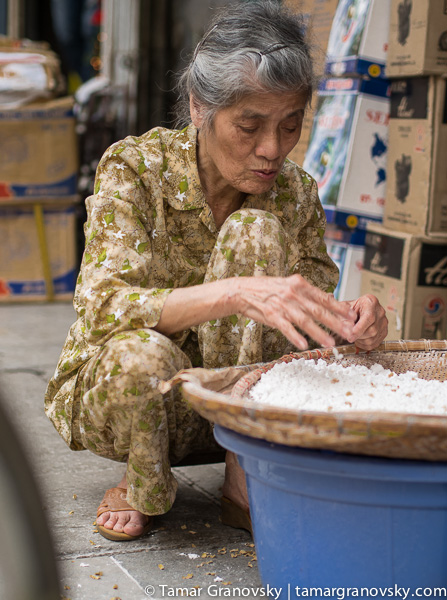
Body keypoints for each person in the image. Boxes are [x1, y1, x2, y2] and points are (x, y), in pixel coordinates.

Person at [45, 0, 388, 542]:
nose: (272, 149)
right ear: (199, 107)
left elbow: (303, 326)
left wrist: (356, 322)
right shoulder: (135, 168)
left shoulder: (296, 192)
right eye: (249, 126)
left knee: (256, 232)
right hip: (140, 400)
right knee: (143, 354)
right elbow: (104, 308)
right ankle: (145, 484)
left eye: (291, 125)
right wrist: (231, 293)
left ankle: (241, 475)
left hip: (241, 414)